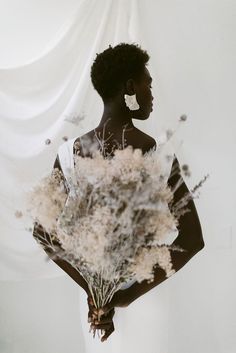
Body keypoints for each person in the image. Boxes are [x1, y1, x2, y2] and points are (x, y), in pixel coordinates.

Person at [33, 42, 205, 352]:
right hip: (145, 296)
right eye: (147, 84)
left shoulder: (68, 155)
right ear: (129, 87)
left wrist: (96, 295)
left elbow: (42, 232)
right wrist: (125, 296)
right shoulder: (159, 155)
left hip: (94, 308)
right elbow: (193, 239)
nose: (151, 93)